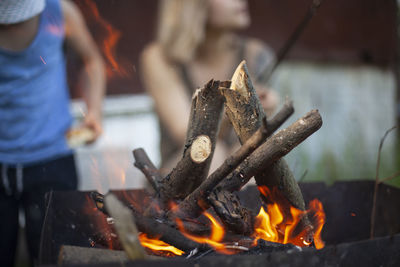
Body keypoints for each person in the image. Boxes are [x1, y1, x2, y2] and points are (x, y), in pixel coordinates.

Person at [0, 0, 105, 266]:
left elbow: (92, 60)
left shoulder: (58, 12)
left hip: (53, 159)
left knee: (57, 255)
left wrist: (93, 110)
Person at [140, 0, 279, 173]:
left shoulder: (255, 54)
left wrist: (266, 110)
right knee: (211, 152)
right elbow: (189, 135)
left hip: (238, 169)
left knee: (249, 154)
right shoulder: (160, 58)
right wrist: (238, 107)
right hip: (178, 180)